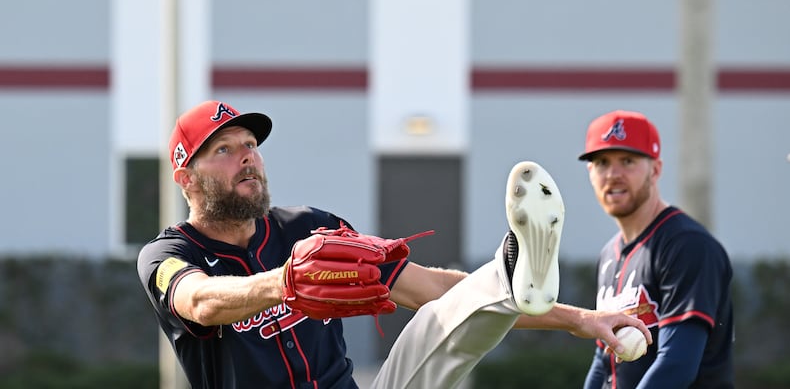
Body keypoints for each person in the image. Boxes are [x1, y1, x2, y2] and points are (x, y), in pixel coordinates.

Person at [137, 100, 651, 389]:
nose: (246, 157)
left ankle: (510, 276)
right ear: (185, 177)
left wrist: (581, 319)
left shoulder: (310, 228)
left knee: (441, 317)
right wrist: (285, 282)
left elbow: (431, 287)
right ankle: (507, 279)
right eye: (223, 150)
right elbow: (199, 302)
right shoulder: (167, 255)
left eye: (250, 145)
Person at [577, 110, 734, 388]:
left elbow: (677, 364)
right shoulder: (608, 255)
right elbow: (603, 363)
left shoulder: (686, 246)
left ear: (656, 169)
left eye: (628, 161)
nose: (613, 174)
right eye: (602, 162)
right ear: (591, 173)